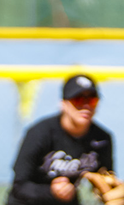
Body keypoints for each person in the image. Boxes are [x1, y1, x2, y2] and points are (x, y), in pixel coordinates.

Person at [7, 74, 115, 205]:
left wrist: (113, 193)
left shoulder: (102, 139)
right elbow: (20, 186)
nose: (86, 106)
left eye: (92, 100)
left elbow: (106, 182)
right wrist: (51, 191)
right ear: (63, 104)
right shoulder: (40, 133)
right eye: (78, 100)